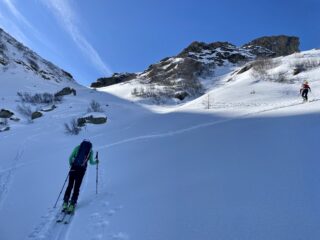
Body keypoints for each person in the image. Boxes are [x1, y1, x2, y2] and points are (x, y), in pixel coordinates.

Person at [62, 140, 98, 213]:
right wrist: (96, 162)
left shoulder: (77, 147)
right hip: (81, 171)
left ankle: (65, 202)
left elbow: (70, 157)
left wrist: (71, 165)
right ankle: (72, 204)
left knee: (70, 185)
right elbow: (91, 162)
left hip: (73, 169)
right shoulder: (90, 151)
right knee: (77, 187)